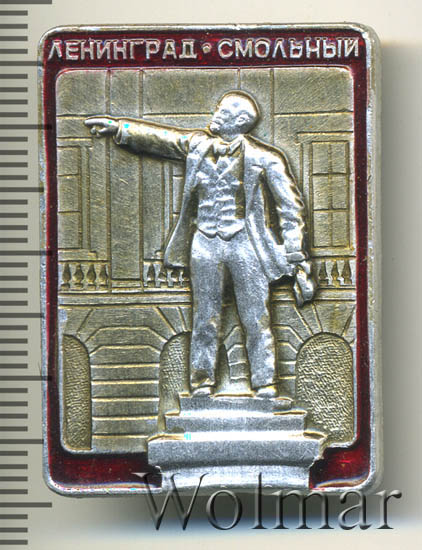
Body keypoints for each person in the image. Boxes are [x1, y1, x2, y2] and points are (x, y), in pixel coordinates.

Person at [85, 90, 315, 398]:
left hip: (246, 244)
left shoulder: (266, 158)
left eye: (223, 112)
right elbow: (162, 139)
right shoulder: (198, 145)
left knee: (255, 317)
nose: (215, 115)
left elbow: (290, 208)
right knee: (204, 317)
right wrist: (119, 127)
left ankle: (265, 384)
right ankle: (201, 384)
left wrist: (295, 253)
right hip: (204, 242)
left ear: (241, 121)